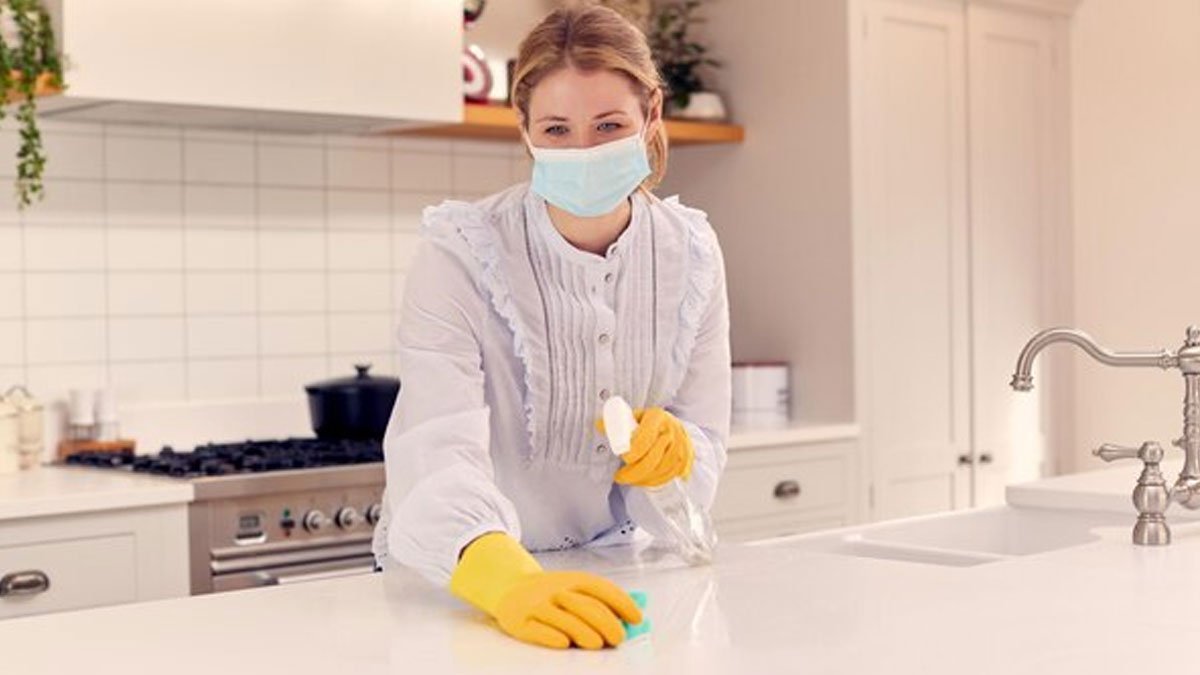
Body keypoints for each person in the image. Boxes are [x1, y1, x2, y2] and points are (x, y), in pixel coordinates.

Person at [371, 2, 731, 651]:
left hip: (619, 579)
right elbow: (433, 449)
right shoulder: (460, 250)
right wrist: (504, 578)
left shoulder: (693, 253)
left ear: (651, 113)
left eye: (608, 124)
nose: (583, 150)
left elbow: (701, 456)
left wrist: (675, 456)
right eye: (558, 129)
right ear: (526, 128)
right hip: (470, 580)